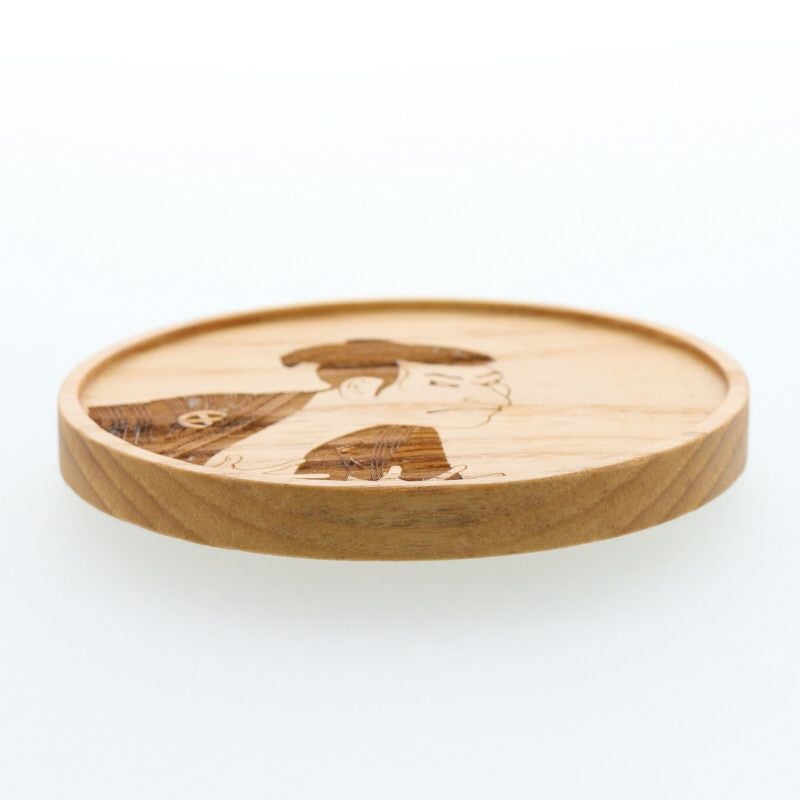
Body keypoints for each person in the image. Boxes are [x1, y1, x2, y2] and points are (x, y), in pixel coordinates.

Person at [89, 338, 511, 481]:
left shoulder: (409, 444)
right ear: (361, 387)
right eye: (445, 385)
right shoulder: (209, 410)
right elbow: (99, 428)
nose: (494, 395)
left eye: (490, 383)